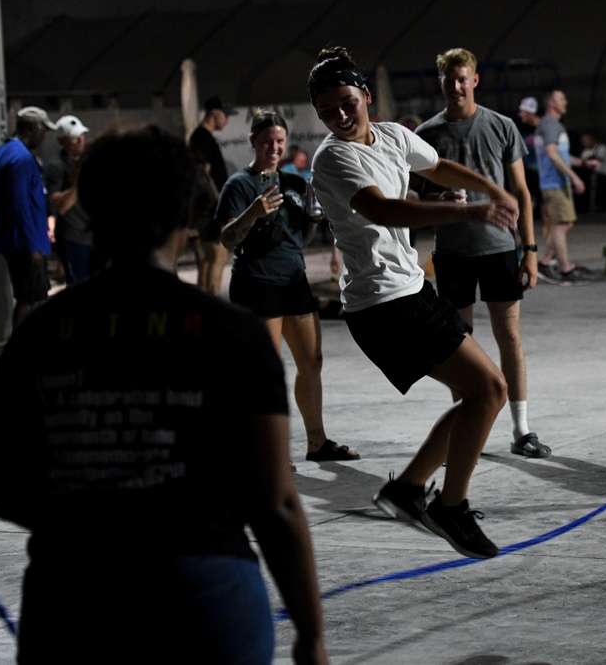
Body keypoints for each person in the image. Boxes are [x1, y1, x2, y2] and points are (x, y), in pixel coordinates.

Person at [0, 125, 328, 664]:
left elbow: (10, 494)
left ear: (91, 213)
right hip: (206, 597)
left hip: (73, 602)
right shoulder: (233, 335)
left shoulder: (34, 338)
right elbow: (276, 503)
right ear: (186, 216)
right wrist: (310, 635)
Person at [309, 46, 517, 559]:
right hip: (383, 305)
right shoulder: (333, 157)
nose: (340, 114)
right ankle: (449, 506)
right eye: (328, 109)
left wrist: (490, 188)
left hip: (410, 290)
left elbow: (439, 165)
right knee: (490, 390)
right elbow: (382, 208)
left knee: (482, 394)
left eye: (346, 101)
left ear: (366, 96)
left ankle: (408, 490)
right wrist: (466, 216)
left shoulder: (396, 136)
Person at [414, 48, 549, 459]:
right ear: (440, 83)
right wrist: (439, 196)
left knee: (509, 336)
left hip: (498, 249)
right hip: (453, 252)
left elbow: (521, 192)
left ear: (475, 80)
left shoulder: (501, 126)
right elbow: (416, 195)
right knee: (461, 343)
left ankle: (522, 429)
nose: (456, 86)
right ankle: (468, 422)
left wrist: (529, 250)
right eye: (448, 79)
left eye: (462, 78)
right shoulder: (426, 135)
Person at [218, 111, 358, 463]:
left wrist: (314, 219)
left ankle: (317, 442)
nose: (274, 148)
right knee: (265, 369)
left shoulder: (295, 184)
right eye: (267, 141)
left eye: (279, 141)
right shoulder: (239, 184)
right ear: (252, 141)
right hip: (256, 283)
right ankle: (266, 448)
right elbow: (226, 238)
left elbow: (303, 236)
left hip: (293, 280)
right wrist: (251, 213)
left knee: (312, 362)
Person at [0, 106, 56, 328]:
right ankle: (24, 347)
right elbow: (20, 204)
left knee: (30, 296)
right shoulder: (21, 158)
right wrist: (31, 246)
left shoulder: (3, 152)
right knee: (31, 298)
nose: (44, 136)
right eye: (44, 130)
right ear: (33, 127)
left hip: (12, 238)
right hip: (25, 242)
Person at [534, 90, 590, 285]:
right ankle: (565, 269)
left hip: (558, 183)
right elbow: (551, 154)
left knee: (565, 223)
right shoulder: (550, 124)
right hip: (554, 184)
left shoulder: (554, 125)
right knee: (561, 225)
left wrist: (583, 164)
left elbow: (562, 156)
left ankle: (545, 262)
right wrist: (575, 178)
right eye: (561, 99)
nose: (565, 102)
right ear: (551, 103)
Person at [45, 115, 99, 284]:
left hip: (95, 236)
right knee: (79, 288)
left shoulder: (89, 160)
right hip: (74, 237)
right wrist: (78, 182)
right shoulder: (57, 166)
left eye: (81, 135)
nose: (80, 140)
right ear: (62, 141)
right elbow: (60, 206)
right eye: (74, 137)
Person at [189, 95, 232, 295]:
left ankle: (204, 301)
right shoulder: (202, 138)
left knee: (209, 256)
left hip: (206, 205)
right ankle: (212, 301)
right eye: (226, 115)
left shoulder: (201, 137)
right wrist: (218, 201)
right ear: (215, 114)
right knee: (218, 255)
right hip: (210, 206)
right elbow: (202, 174)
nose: (228, 120)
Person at [517, 97, 542, 222]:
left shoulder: (543, 128)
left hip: (541, 173)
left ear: (530, 112)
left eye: (522, 112)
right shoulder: (524, 129)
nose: (520, 115)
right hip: (529, 172)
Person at [578, 131, 606, 212]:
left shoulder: (603, 148)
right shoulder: (585, 152)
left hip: (605, 175)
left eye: (587, 140)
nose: (585, 143)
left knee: (600, 181)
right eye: (583, 142)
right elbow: (583, 163)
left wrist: (585, 161)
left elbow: (596, 158)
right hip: (592, 175)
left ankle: (603, 207)